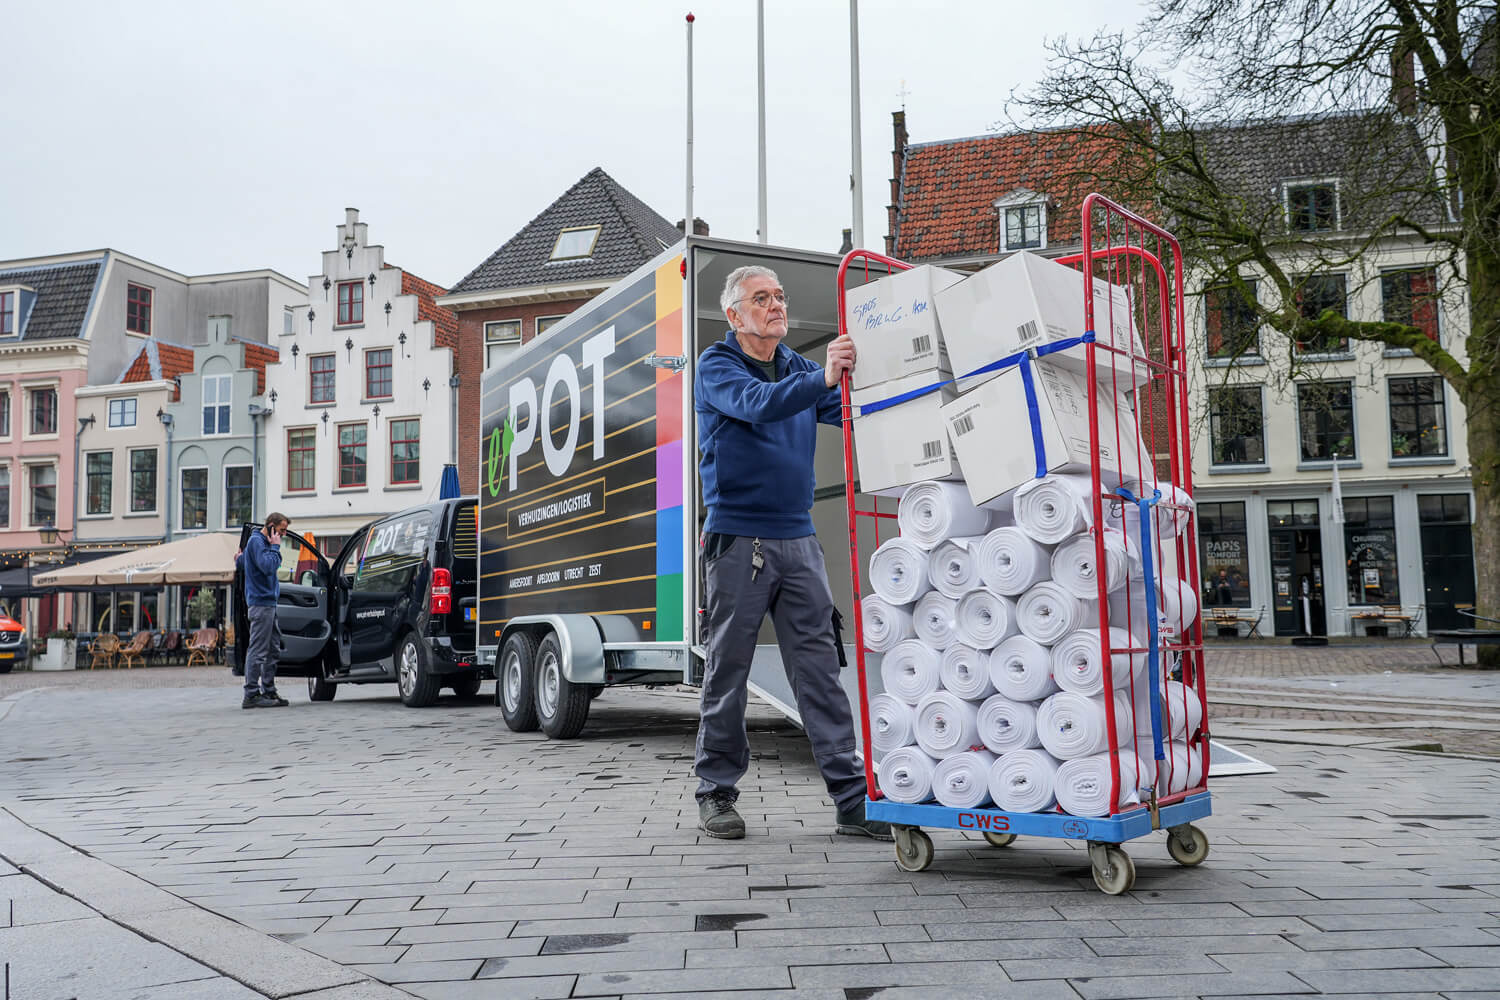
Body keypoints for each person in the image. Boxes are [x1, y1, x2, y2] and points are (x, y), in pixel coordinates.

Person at [692, 264, 891, 842]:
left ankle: (852, 799)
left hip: (798, 538)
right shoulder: (717, 365)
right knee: (728, 668)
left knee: (820, 670)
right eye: (761, 298)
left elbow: (847, 410)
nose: (776, 304)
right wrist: (824, 378)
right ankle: (716, 792)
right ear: (735, 314)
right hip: (739, 539)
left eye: (779, 297)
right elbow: (759, 404)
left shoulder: (802, 370)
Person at [240, 513, 290, 708]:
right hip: (261, 604)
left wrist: (239, 558)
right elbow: (268, 567)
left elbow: (243, 563)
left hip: (268, 603)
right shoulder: (258, 542)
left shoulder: (260, 543)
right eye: (281, 530)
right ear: (271, 526)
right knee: (259, 650)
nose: (283, 535)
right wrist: (276, 547)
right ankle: (251, 694)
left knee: (272, 648)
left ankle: (268, 690)